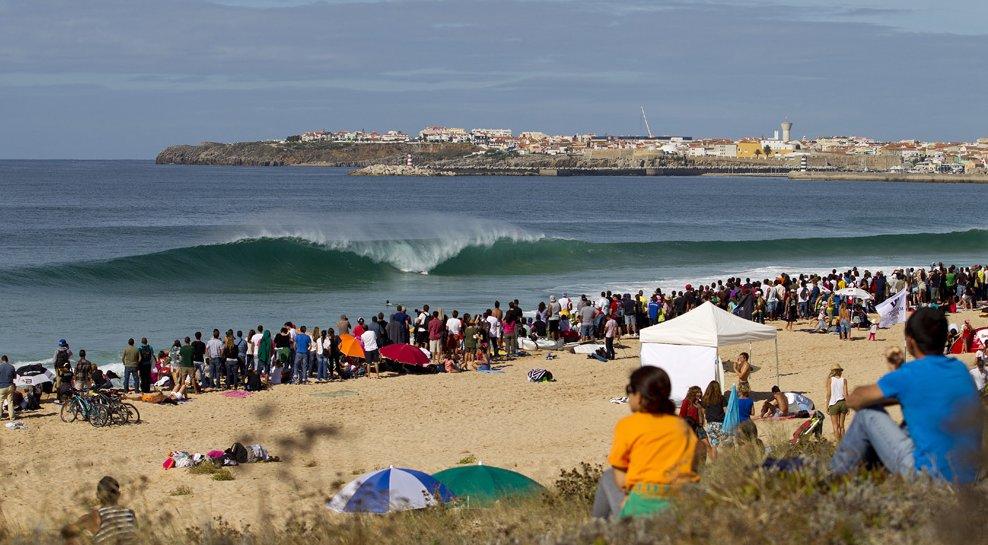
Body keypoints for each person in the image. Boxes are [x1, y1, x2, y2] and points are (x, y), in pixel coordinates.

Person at [829, 308, 983, 483]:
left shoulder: (911, 374)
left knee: (867, 414)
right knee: (913, 422)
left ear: (910, 342)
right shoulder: (960, 370)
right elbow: (926, 392)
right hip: (965, 479)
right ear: (945, 338)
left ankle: (834, 480)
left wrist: (897, 377)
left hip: (927, 476)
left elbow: (855, 399)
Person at [592, 366, 699, 519]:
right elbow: (694, 463)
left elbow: (621, 478)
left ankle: (595, 530)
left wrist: (628, 499)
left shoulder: (628, 425)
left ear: (640, 397)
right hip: (683, 502)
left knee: (609, 477)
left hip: (645, 504)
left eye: (629, 390)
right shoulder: (682, 426)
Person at [61, 476, 137, 545]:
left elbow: (67, 531)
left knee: (72, 540)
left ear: (98, 495)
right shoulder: (130, 513)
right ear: (119, 494)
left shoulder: (96, 515)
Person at [826, 364, 849, 439]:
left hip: (833, 404)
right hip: (843, 403)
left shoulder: (830, 380)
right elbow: (846, 394)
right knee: (842, 426)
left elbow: (829, 394)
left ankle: (838, 444)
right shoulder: (844, 380)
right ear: (839, 371)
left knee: (835, 426)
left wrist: (826, 405)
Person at [702, 381, 725, 447]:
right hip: (720, 423)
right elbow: (726, 411)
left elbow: (703, 412)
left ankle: (715, 457)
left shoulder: (705, 399)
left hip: (710, 424)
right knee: (723, 444)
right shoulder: (721, 398)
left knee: (714, 445)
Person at [0, 355, 17, 421]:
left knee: (0, 402)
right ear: (7, 360)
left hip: (1, 386)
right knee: (10, 402)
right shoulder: (11, 367)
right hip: (10, 386)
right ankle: (12, 418)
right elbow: (14, 377)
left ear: (1, 360)